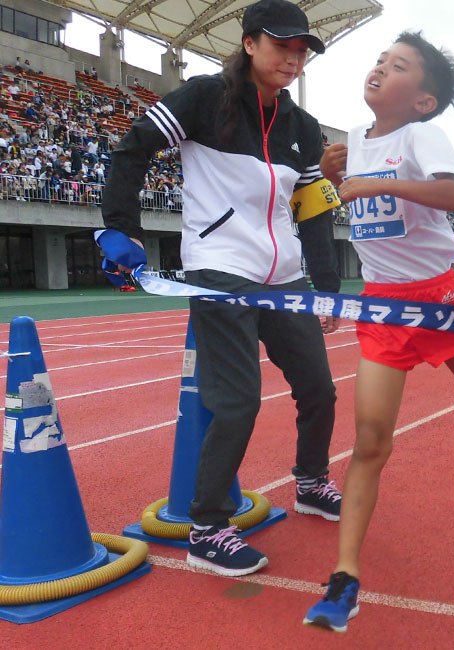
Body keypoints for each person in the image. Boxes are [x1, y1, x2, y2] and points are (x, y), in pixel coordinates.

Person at [101, 0, 345, 577]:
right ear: (250, 43)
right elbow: (131, 150)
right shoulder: (204, 98)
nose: (293, 59)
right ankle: (208, 526)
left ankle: (310, 482)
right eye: (282, 46)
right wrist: (119, 230)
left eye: (301, 50)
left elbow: (311, 210)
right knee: (236, 401)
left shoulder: (304, 128)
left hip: (283, 277)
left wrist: (327, 285)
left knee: (320, 388)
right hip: (219, 270)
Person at [304, 30, 454, 633]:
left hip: (440, 299)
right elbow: (335, 198)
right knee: (371, 441)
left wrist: (376, 182)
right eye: (380, 59)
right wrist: (334, 168)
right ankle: (345, 579)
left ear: (423, 100)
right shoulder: (350, 141)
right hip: (383, 310)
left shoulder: (423, 135)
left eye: (398, 65)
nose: (380, 68)